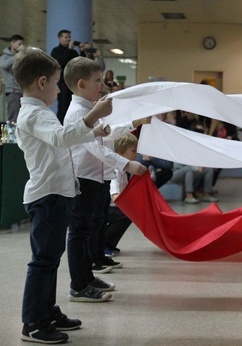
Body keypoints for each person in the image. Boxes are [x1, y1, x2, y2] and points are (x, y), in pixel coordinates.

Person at [14, 47, 112, 344]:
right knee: (43, 261)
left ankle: (48, 311)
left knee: (51, 259)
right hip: (47, 196)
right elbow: (60, 138)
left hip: (56, 194)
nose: (59, 90)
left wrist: (93, 131)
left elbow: (64, 139)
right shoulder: (32, 114)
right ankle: (32, 322)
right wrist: (93, 116)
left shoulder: (40, 113)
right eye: (57, 84)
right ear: (42, 83)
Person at [63, 57, 147, 303]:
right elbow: (94, 149)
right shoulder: (78, 112)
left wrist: (134, 123)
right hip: (84, 177)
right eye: (97, 80)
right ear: (81, 84)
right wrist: (126, 163)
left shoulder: (90, 109)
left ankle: (87, 277)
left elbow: (106, 138)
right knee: (79, 232)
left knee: (91, 228)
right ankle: (79, 285)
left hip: (97, 177)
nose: (102, 85)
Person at [105, 133, 139, 256]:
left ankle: (109, 243)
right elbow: (115, 196)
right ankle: (103, 243)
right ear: (120, 152)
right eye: (133, 151)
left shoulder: (124, 171)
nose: (136, 154)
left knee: (129, 214)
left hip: (111, 206)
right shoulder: (116, 170)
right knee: (126, 215)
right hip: (106, 207)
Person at [50, 29, 79, 124]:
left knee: (73, 106)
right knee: (63, 106)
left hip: (73, 83)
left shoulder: (73, 52)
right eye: (66, 37)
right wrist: (69, 50)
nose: (68, 39)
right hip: (62, 83)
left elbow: (79, 63)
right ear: (59, 38)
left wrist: (82, 51)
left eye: (69, 37)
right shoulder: (55, 51)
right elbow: (59, 63)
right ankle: (61, 126)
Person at [0, 34, 24, 122]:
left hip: (22, 91)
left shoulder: (20, 57)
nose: (21, 46)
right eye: (19, 44)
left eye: (22, 44)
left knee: (22, 118)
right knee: (13, 118)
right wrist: (17, 56)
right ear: (12, 43)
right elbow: (4, 65)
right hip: (12, 91)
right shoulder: (4, 57)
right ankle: (11, 135)